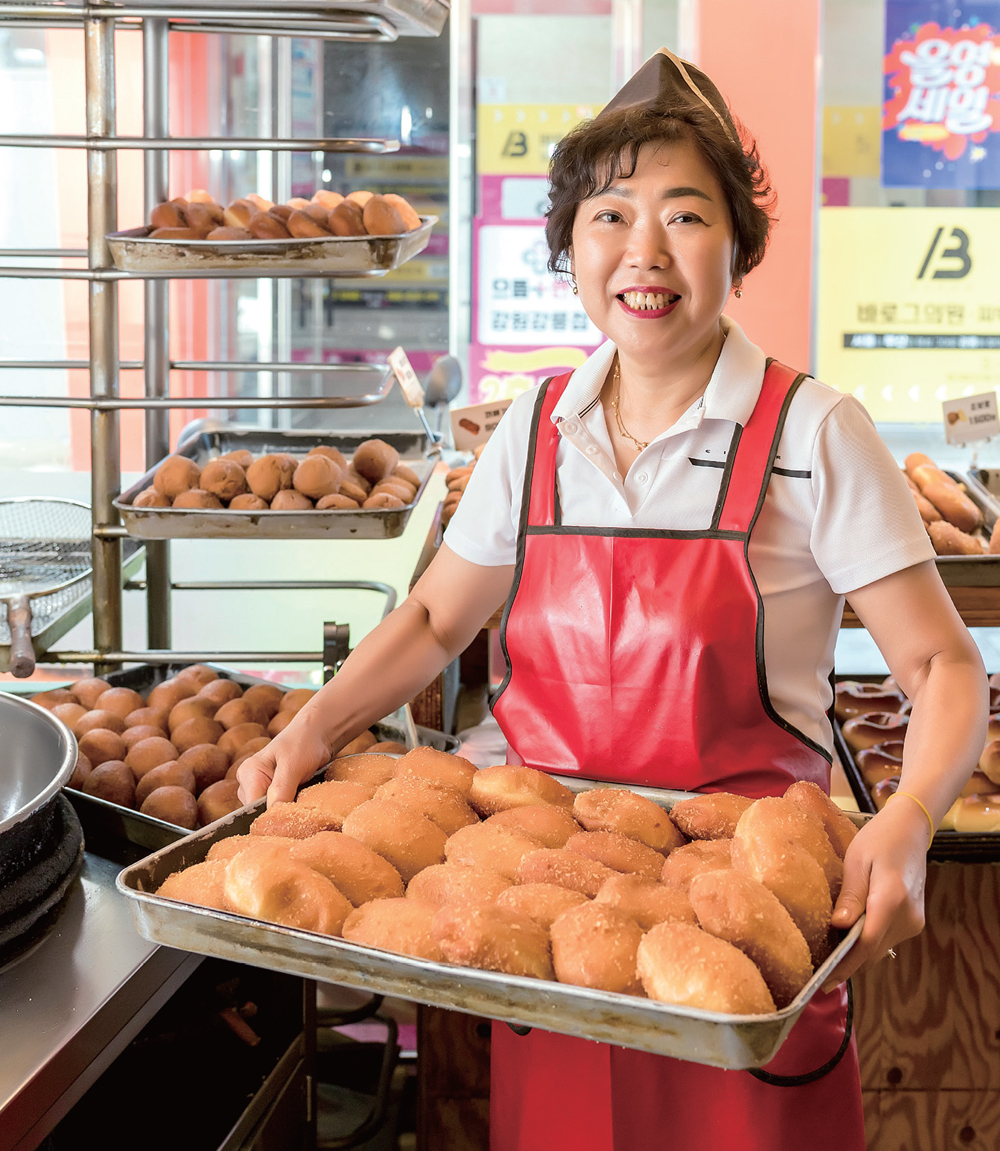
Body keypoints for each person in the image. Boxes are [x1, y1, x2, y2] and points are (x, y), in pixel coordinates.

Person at [238, 49, 986, 1151]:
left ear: (739, 243)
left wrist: (912, 815)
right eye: (609, 215)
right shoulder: (534, 428)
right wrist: (309, 727)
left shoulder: (812, 434)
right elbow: (438, 620)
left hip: (747, 928)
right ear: (569, 243)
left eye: (684, 215)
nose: (643, 252)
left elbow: (941, 666)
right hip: (556, 924)